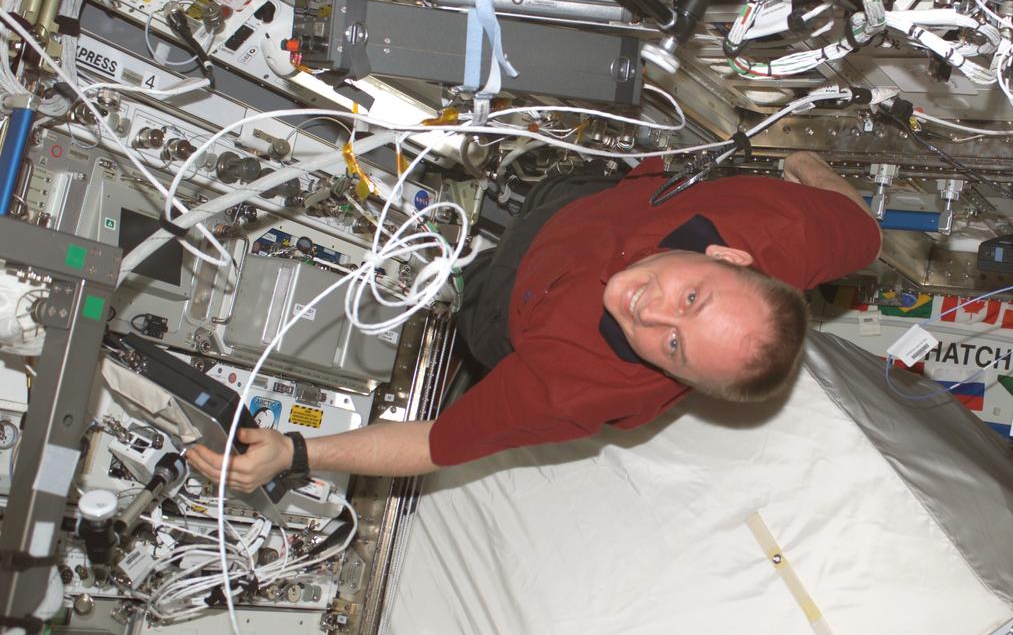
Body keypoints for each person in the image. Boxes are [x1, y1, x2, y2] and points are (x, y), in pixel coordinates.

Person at [186, 151, 881, 492]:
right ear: (730, 255)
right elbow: (866, 232)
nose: (649, 310)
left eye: (674, 345)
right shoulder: (793, 227)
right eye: (693, 297)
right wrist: (807, 162)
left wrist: (296, 453)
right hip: (594, 203)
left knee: (476, 311)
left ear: (676, 378)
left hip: (511, 303)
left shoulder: (575, 388)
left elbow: (436, 443)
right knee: (558, 183)